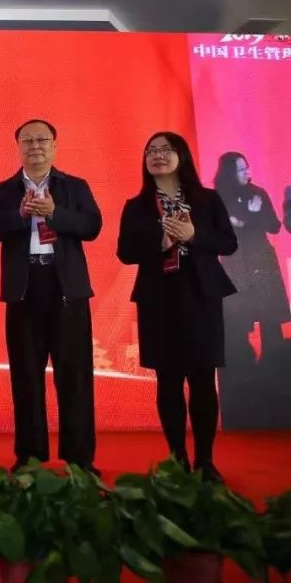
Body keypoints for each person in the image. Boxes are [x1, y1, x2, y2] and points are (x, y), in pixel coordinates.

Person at [0, 119, 101, 474]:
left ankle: (79, 460)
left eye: (42, 140)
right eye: (28, 141)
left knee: (74, 377)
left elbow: (92, 226)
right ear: (18, 148)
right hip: (24, 289)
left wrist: (54, 214)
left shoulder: (74, 186)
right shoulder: (3, 191)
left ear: (54, 146)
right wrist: (19, 215)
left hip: (67, 290)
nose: (35, 146)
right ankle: (29, 458)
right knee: (26, 377)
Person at [116, 132, 236, 483]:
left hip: (200, 295)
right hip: (158, 298)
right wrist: (160, 241)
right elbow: (125, 252)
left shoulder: (207, 200)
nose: (157, 155)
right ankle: (177, 459)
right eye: (151, 151)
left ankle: (205, 461)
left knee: (202, 379)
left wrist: (193, 235)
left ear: (181, 155)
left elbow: (228, 243)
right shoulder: (136, 205)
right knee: (168, 381)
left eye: (165, 150)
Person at [213, 152, 291, 429]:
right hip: (235, 267)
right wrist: (247, 218)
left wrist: (248, 218)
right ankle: (242, 394)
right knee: (237, 329)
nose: (247, 173)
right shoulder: (217, 197)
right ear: (228, 172)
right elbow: (223, 230)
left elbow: (275, 225)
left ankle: (278, 390)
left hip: (262, 264)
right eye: (241, 169)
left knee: (271, 325)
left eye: (247, 168)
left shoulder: (258, 192)